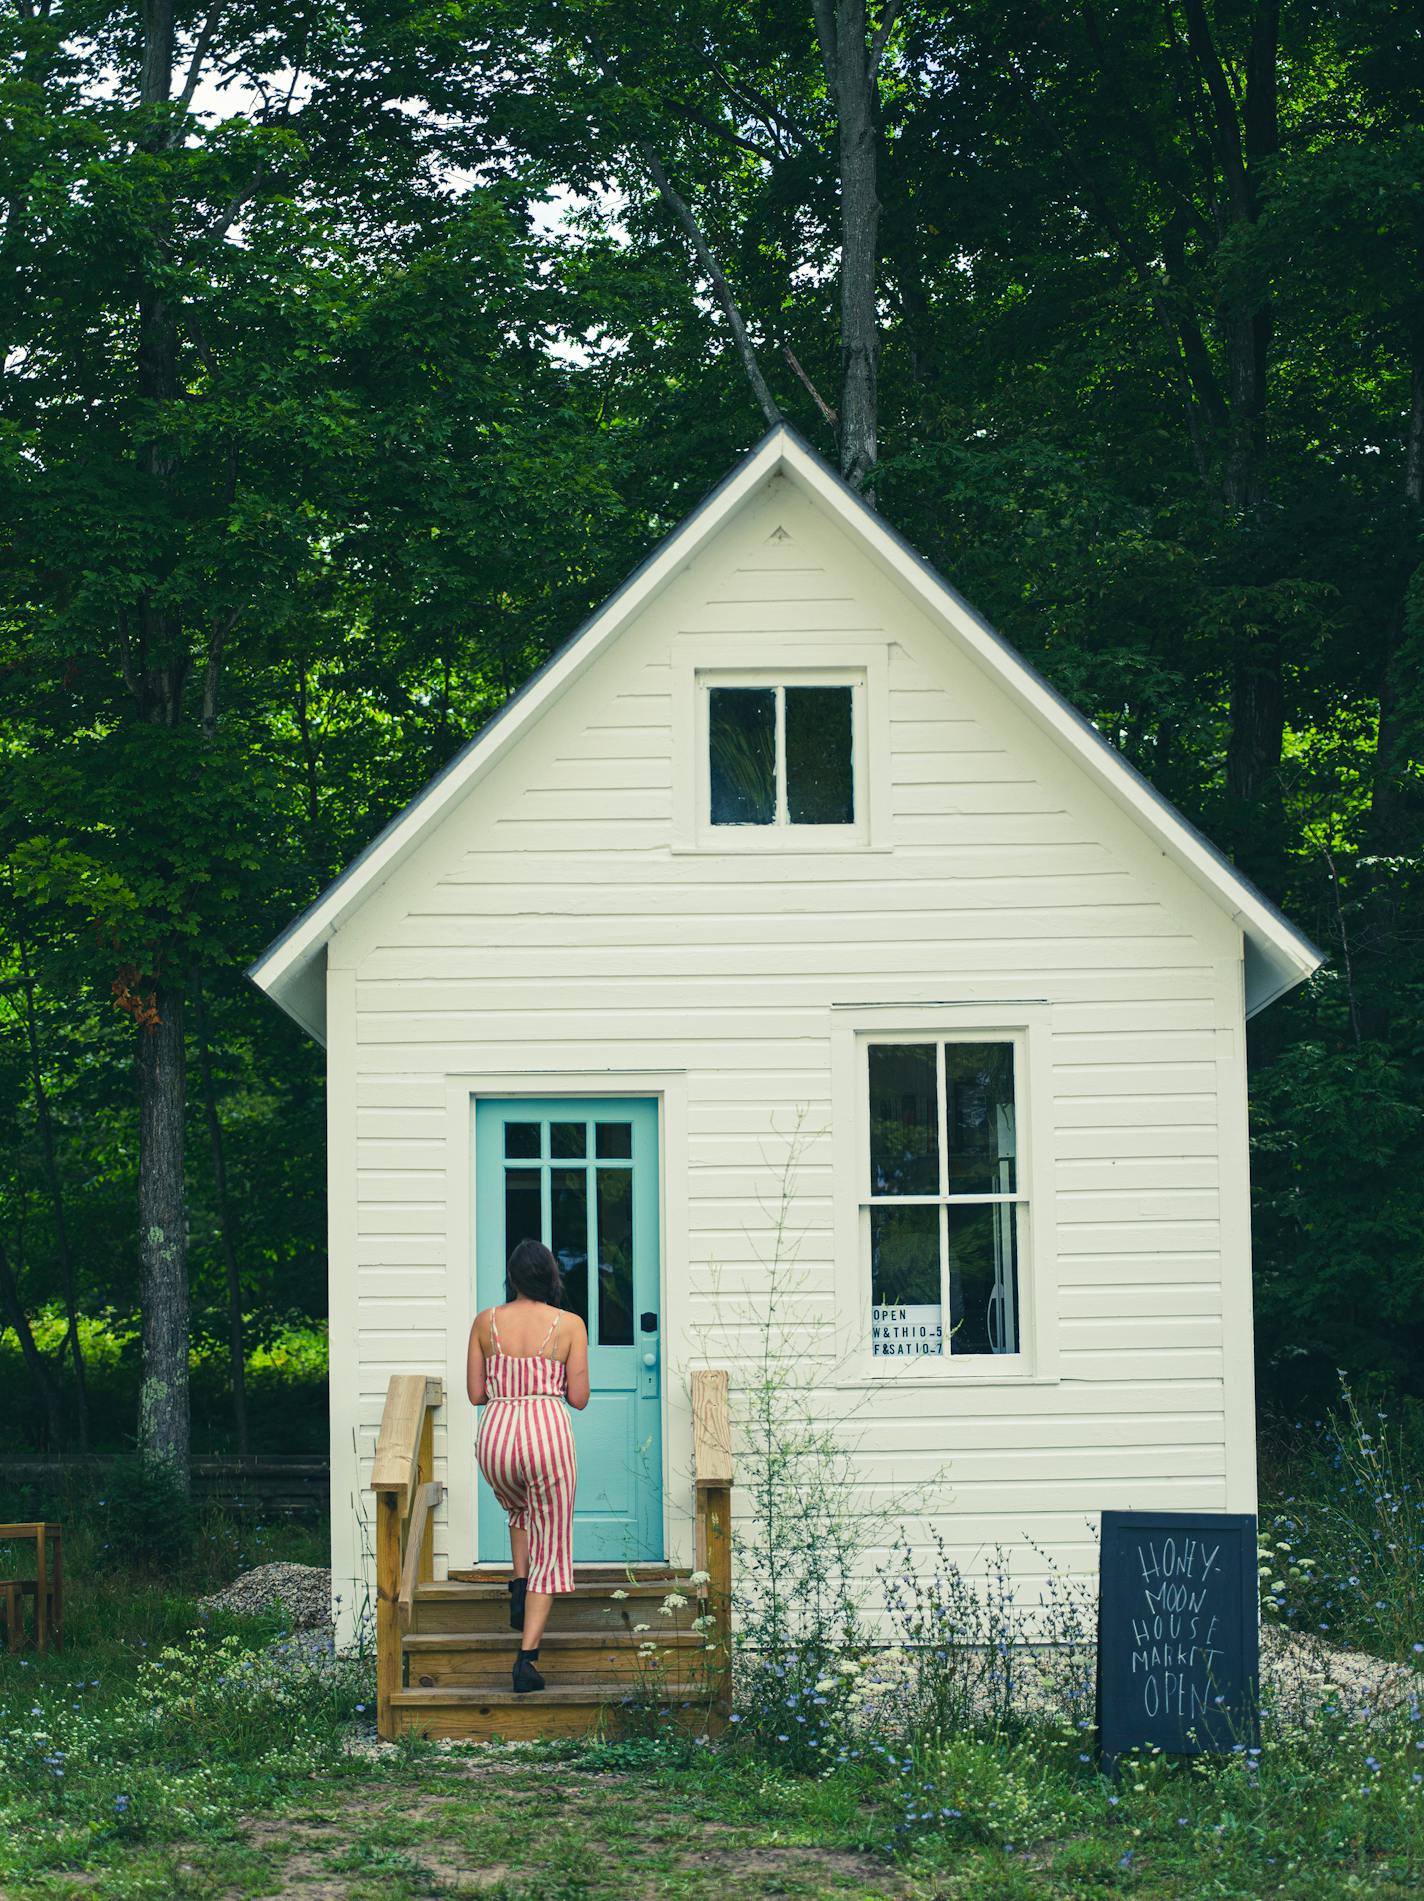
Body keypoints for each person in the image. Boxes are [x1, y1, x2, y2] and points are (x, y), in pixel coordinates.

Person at [467, 1239, 590, 1692]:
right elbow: (577, 1399)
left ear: (512, 1278)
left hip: (496, 1437)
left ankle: (519, 1586)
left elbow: (476, 1394)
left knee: (519, 1508)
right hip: (546, 1434)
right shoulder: (570, 1325)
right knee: (552, 1542)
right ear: (551, 1278)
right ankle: (526, 1660)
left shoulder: (486, 1321)